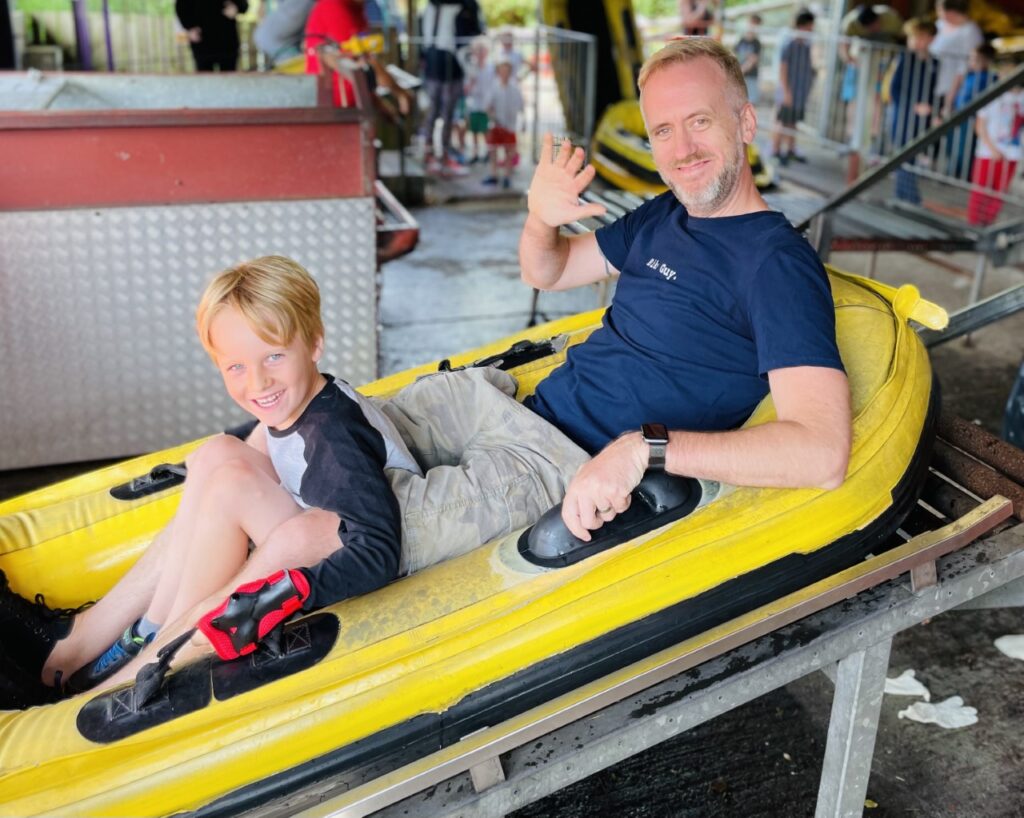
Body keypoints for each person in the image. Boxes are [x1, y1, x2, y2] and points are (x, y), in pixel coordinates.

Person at [2, 257, 586, 708]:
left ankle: (139, 663)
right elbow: (235, 461)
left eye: (273, 358)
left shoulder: (331, 436)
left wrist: (290, 591)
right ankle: (96, 642)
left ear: (314, 342)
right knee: (216, 457)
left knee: (233, 485)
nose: (257, 381)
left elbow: (378, 549)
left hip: (338, 540)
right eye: (236, 366)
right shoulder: (290, 409)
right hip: (312, 514)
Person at [518, 37, 851, 542]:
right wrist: (541, 218)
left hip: (553, 459)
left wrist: (644, 449)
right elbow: (551, 270)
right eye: (663, 131)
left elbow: (821, 453)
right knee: (357, 424)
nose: (683, 150)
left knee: (362, 526)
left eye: (700, 121)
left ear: (745, 123)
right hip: (517, 413)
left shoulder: (776, 265)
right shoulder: (666, 213)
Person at [419, 0, 484, 175]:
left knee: (446, 112)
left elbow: (472, 34)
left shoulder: (463, 6)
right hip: (439, 62)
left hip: (449, 63)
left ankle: (442, 153)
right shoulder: (436, 7)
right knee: (437, 110)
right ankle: (430, 152)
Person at [887, 19, 939, 203]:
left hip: (920, 119)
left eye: (920, 37)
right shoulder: (905, 58)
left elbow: (933, 90)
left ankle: (903, 196)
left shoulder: (934, 62)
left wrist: (934, 111)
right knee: (904, 155)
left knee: (911, 156)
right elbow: (894, 89)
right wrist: (913, 105)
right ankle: (910, 197)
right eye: (913, 37)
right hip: (902, 115)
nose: (916, 42)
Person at [967, 78, 1022, 226]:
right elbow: (980, 125)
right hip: (987, 153)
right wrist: (993, 150)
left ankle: (987, 225)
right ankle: (974, 225)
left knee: (999, 193)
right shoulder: (992, 95)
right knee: (980, 191)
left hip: (1011, 154)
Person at [946, 42, 998, 177]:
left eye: (975, 59)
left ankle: (963, 174)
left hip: (971, 118)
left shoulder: (990, 78)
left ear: (986, 61)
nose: (971, 62)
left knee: (965, 147)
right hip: (959, 115)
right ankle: (953, 172)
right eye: (971, 58)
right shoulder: (970, 75)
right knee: (955, 145)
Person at [772, 9, 816, 165]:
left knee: (792, 122)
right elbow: (783, 69)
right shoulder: (789, 43)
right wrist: (786, 91)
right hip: (788, 91)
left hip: (799, 91)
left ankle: (790, 149)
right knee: (782, 121)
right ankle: (776, 150)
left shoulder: (805, 45)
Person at [930, 0, 983, 114]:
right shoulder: (940, 24)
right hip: (933, 81)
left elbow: (965, 66)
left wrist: (950, 99)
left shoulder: (970, 31)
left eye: (940, 10)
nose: (938, 13)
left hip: (951, 86)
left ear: (952, 11)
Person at [482, 57, 524, 189]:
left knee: (509, 150)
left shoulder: (515, 89)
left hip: (510, 125)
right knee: (493, 150)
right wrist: (492, 117)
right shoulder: (494, 87)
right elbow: (487, 105)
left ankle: (507, 176)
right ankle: (494, 175)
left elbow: (520, 106)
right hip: (496, 124)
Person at [175, 0, 248, 72]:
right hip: (201, 41)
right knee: (204, 79)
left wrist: (236, 8)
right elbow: (181, 7)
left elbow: (244, 4)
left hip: (226, 42)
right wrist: (189, 28)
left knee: (229, 78)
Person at [462, 34, 495, 163]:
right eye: (477, 50)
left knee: (486, 129)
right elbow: (466, 88)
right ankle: (475, 153)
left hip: (487, 103)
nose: (480, 53)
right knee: (474, 130)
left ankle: (487, 152)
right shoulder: (471, 68)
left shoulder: (491, 68)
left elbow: (493, 85)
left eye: (482, 49)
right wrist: (471, 82)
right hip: (474, 104)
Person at [733, 13, 762, 106]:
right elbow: (734, 55)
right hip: (740, 76)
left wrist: (741, 71)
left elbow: (753, 60)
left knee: (751, 103)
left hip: (751, 76)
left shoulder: (757, 43)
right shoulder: (741, 40)